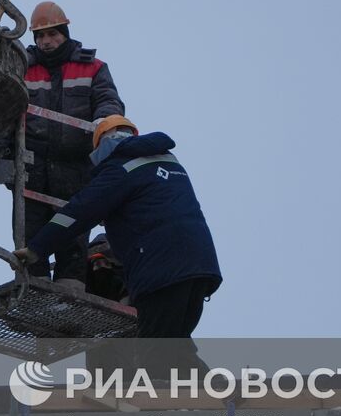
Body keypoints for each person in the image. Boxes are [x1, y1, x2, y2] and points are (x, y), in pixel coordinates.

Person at [18, 117, 221, 374]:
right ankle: (221, 394)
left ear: (103, 143)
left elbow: (77, 212)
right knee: (176, 349)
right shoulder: (167, 160)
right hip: (200, 267)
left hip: (162, 272)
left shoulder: (120, 169)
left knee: (155, 358)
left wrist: (37, 248)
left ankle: (165, 410)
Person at [0, 1, 124, 289]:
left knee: (74, 237)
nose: (47, 41)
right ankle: (34, 293)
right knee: (29, 233)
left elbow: (108, 101)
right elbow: (2, 109)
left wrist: (105, 124)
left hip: (76, 167)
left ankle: (70, 298)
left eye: (52, 34)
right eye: (40, 36)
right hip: (31, 166)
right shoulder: (22, 68)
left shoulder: (92, 67)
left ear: (65, 32)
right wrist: (2, 154)